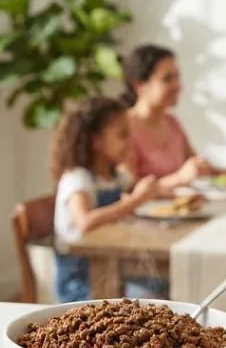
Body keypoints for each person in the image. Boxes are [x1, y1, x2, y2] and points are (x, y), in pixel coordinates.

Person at [51, 97, 165, 303]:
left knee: (162, 286)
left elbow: (146, 190)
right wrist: (134, 201)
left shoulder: (113, 176)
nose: (130, 143)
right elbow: (85, 222)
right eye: (122, 135)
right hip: (84, 281)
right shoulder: (77, 179)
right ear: (96, 141)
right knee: (149, 297)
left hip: (114, 269)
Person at [121, 44, 226, 190]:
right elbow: (128, 189)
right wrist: (179, 179)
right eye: (167, 79)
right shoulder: (124, 128)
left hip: (179, 210)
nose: (178, 86)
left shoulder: (171, 121)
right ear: (140, 86)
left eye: (177, 77)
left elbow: (197, 166)